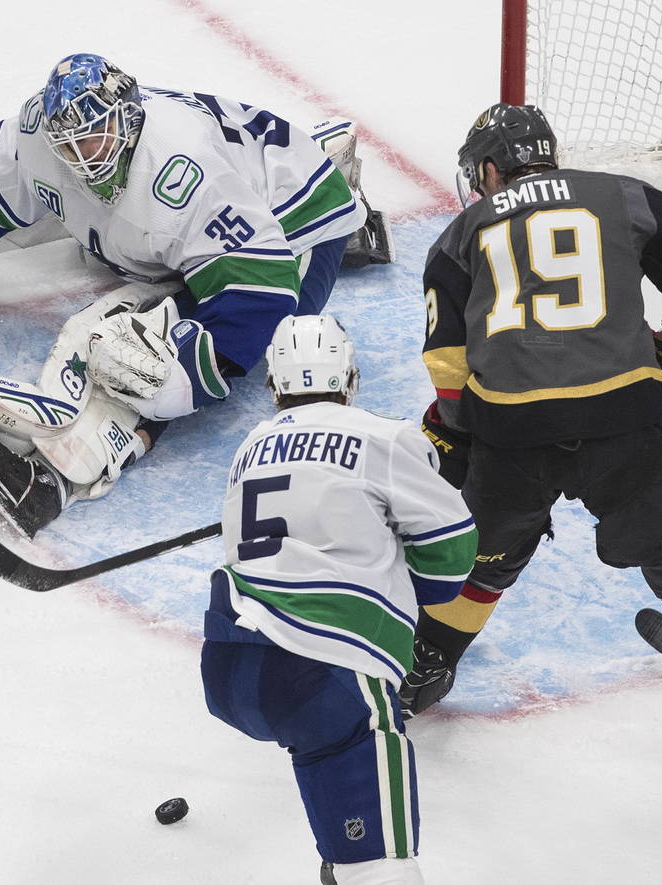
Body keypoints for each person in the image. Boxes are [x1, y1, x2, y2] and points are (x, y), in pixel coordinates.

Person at [401, 103, 662, 772]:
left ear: (490, 169)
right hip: (626, 419)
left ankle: (426, 668)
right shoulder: (627, 197)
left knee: (479, 558)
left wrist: (459, 442)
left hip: (513, 431)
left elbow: (451, 374)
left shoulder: (461, 234)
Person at [0, 52, 393, 538]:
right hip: (184, 221)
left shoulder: (183, 174)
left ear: (129, 116)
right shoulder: (35, 135)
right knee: (92, 221)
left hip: (288, 233)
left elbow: (259, 295)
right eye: (68, 144)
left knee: (130, 351)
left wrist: (181, 379)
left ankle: (65, 471)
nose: (81, 157)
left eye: (95, 138)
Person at [199, 313, 477, 885]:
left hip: (231, 664)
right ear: (351, 378)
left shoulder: (250, 445)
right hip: (328, 665)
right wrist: (411, 582)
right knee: (382, 868)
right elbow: (450, 550)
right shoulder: (386, 437)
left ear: (275, 386)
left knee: (345, 837)